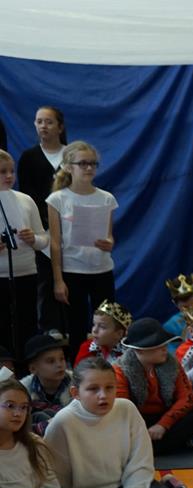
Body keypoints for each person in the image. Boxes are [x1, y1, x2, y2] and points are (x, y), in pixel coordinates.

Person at [44, 357, 193, 488]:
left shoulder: (126, 409)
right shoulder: (62, 423)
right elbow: (54, 476)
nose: (103, 395)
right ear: (75, 393)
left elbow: (141, 463)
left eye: (109, 388)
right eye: (93, 389)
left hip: (132, 483)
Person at [45, 141, 118, 358]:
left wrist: (109, 243)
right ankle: (79, 368)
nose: (89, 168)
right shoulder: (57, 199)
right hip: (73, 271)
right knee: (76, 326)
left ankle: (108, 364)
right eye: (83, 163)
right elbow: (55, 243)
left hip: (101, 270)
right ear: (68, 167)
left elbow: (109, 236)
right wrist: (58, 280)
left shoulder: (106, 198)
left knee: (107, 323)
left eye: (93, 163)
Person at [114, 318, 193, 454]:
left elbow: (187, 399)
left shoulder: (171, 364)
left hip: (166, 415)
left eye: (165, 344)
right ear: (140, 350)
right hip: (138, 420)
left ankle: (149, 446)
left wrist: (163, 425)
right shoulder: (120, 370)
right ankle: (177, 441)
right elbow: (123, 410)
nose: (165, 349)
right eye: (158, 345)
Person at [16, 106, 67, 336]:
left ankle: (72, 327)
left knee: (71, 279)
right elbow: (27, 196)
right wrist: (42, 226)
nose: (43, 126)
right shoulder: (29, 158)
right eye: (39, 122)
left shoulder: (71, 156)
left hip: (70, 229)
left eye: (49, 122)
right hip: (43, 230)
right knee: (46, 281)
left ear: (60, 127)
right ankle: (50, 329)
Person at [0, 150, 49, 371]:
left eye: (12, 171)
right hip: (0, 275)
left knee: (27, 324)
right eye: (3, 172)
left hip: (26, 273)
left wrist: (33, 239)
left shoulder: (25, 200)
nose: (9, 176)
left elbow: (43, 239)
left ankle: (26, 372)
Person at [21, 333, 71, 435]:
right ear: (33, 369)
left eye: (62, 359)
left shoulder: (78, 386)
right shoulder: (23, 391)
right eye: (51, 361)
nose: (59, 364)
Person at [73, 300, 130, 366]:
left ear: (119, 334)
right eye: (94, 324)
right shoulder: (86, 348)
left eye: (102, 327)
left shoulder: (128, 354)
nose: (94, 330)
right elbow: (78, 371)